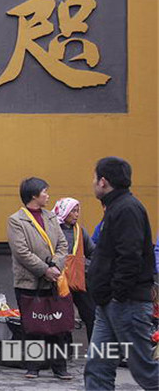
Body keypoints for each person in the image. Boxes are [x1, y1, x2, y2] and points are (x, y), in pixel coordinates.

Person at [84, 157, 158, 391]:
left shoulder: (127, 209)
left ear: (103, 181)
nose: (93, 182)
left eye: (95, 178)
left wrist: (118, 293)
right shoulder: (116, 207)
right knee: (97, 366)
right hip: (109, 304)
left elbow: (130, 257)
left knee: (144, 371)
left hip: (126, 303)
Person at [7, 177, 71, 380]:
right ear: (34, 195)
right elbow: (21, 252)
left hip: (52, 281)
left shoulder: (51, 217)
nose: (47, 195)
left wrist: (56, 266)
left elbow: (63, 245)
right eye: (45, 191)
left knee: (56, 325)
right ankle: (33, 367)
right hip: (29, 282)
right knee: (33, 325)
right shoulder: (17, 220)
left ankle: (59, 367)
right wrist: (44, 269)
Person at [52, 197, 96, 342]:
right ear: (64, 211)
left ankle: (94, 349)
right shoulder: (53, 230)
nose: (77, 214)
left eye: (78, 211)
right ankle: (66, 349)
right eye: (73, 211)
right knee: (62, 315)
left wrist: (85, 264)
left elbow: (93, 252)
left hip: (79, 279)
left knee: (90, 314)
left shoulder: (80, 231)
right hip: (59, 280)